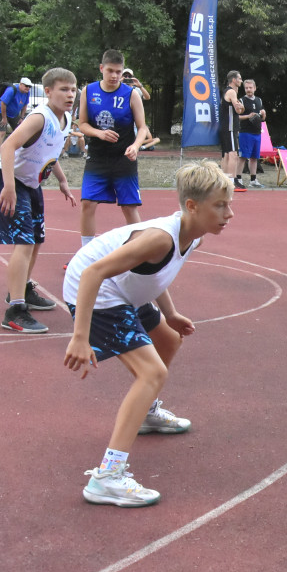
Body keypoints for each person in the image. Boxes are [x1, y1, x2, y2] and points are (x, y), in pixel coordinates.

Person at [63, 161, 234, 507]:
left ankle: (147, 413)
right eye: (220, 205)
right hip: (98, 293)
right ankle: (107, 477)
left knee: (169, 340)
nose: (229, 213)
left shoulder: (193, 237)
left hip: (125, 291)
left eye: (228, 204)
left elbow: (155, 274)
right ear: (192, 206)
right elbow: (92, 273)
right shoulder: (158, 238)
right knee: (152, 372)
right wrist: (80, 336)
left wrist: (169, 314)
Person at [0, 69, 78, 333]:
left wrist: (62, 180)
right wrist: (8, 186)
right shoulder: (40, 117)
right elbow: (8, 146)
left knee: (37, 240)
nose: (70, 95)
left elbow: (50, 153)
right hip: (12, 180)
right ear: (49, 92)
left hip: (32, 183)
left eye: (73, 90)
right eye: (64, 89)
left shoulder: (65, 119)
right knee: (25, 243)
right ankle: (15, 310)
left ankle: (22, 289)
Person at [78, 50, 153, 248]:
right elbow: (82, 124)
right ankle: (86, 251)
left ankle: (140, 250)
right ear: (101, 69)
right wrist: (98, 133)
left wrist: (136, 146)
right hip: (97, 157)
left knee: (129, 206)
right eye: (110, 71)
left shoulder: (131, 94)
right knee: (87, 203)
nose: (114, 76)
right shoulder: (89, 91)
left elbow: (143, 127)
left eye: (118, 72)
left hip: (123, 158)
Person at [219, 70, 246, 192]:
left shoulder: (227, 91)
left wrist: (241, 107)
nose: (241, 81)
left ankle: (223, 181)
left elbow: (238, 109)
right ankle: (231, 181)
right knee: (233, 154)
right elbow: (238, 108)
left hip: (226, 126)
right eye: (239, 79)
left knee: (226, 154)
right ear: (234, 80)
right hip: (229, 127)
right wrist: (240, 106)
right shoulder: (231, 92)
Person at [238, 78, 266, 187]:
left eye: (250, 88)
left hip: (257, 132)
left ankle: (253, 180)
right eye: (246, 88)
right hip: (245, 132)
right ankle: (238, 179)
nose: (248, 90)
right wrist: (248, 116)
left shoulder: (259, 100)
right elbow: (237, 117)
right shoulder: (241, 100)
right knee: (243, 156)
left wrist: (263, 114)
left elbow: (263, 118)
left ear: (254, 88)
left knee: (254, 157)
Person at [0, 77, 33, 152]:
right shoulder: (12, 90)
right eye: (26, 86)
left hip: (14, 114)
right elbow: (3, 103)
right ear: (21, 84)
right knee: (2, 132)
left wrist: (21, 118)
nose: (28, 88)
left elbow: (25, 105)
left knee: (19, 131)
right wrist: (4, 118)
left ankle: (17, 150)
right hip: (1, 111)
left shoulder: (27, 93)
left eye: (29, 86)